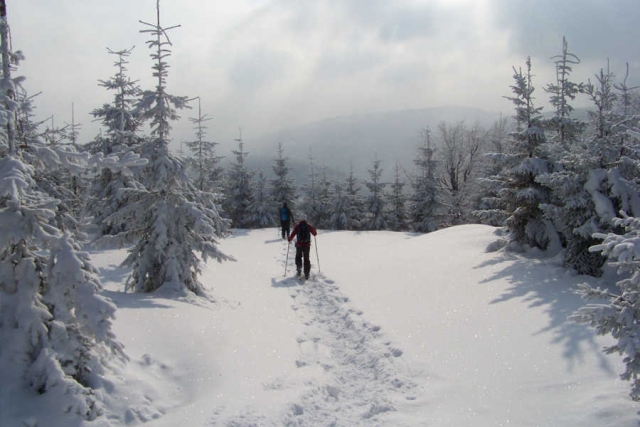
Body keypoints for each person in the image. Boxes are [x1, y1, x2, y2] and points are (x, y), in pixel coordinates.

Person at [288, 215, 317, 279]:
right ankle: (307, 274)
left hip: (299, 245)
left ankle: (299, 269)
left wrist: (289, 239)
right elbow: (314, 234)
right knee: (306, 259)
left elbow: (292, 235)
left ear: (300, 220)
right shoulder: (309, 226)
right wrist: (314, 229)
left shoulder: (297, 227)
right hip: (307, 245)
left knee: (298, 257)